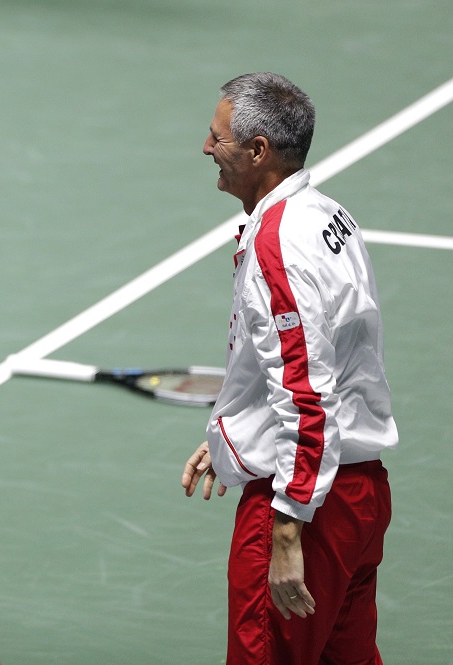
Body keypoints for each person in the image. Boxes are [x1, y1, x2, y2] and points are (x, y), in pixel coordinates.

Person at [180, 72, 398, 664]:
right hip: (359, 493)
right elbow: (328, 357)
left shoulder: (280, 243)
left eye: (217, 136)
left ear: (258, 151)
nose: (206, 148)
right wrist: (239, 432)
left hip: (306, 505)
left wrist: (286, 529)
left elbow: (306, 394)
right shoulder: (327, 215)